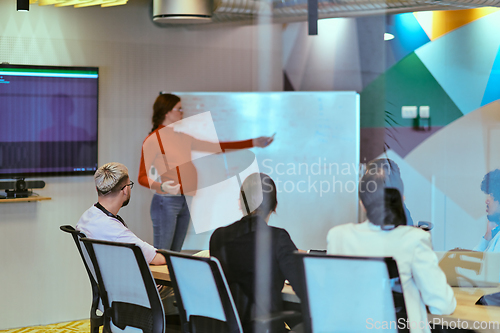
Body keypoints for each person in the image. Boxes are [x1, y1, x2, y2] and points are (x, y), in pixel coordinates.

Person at [327, 159, 456, 333]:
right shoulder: (414, 239)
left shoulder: (337, 236)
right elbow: (442, 305)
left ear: (362, 203)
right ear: (401, 199)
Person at [138, 93, 274, 251]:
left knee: (174, 254)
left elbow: (216, 147)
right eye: (178, 109)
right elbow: (141, 177)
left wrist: (253, 142)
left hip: (185, 200)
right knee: (162, 254)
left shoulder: (182, 137)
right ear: (167, 111)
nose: (182, 112)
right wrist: (161, 186)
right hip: (166, 201)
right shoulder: (154, 139)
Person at [76, 162, 179, 318]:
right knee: (195, 290)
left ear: (97, 188)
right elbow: (158, 258)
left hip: (112, 298)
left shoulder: (86, 219)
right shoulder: (115, 231)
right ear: (125, 190)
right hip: (139, 300)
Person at [209, 173, 303, 333]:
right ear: (274, 206)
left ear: (241, 204)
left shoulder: (218, 236)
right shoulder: (278, 238)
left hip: (225, 327)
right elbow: (302, 286)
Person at [474, 169, 500, 252]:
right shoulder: (495, 235)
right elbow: (472, 260)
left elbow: (472, 264)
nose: (487, 201)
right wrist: (488, 235)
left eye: (491, 195)